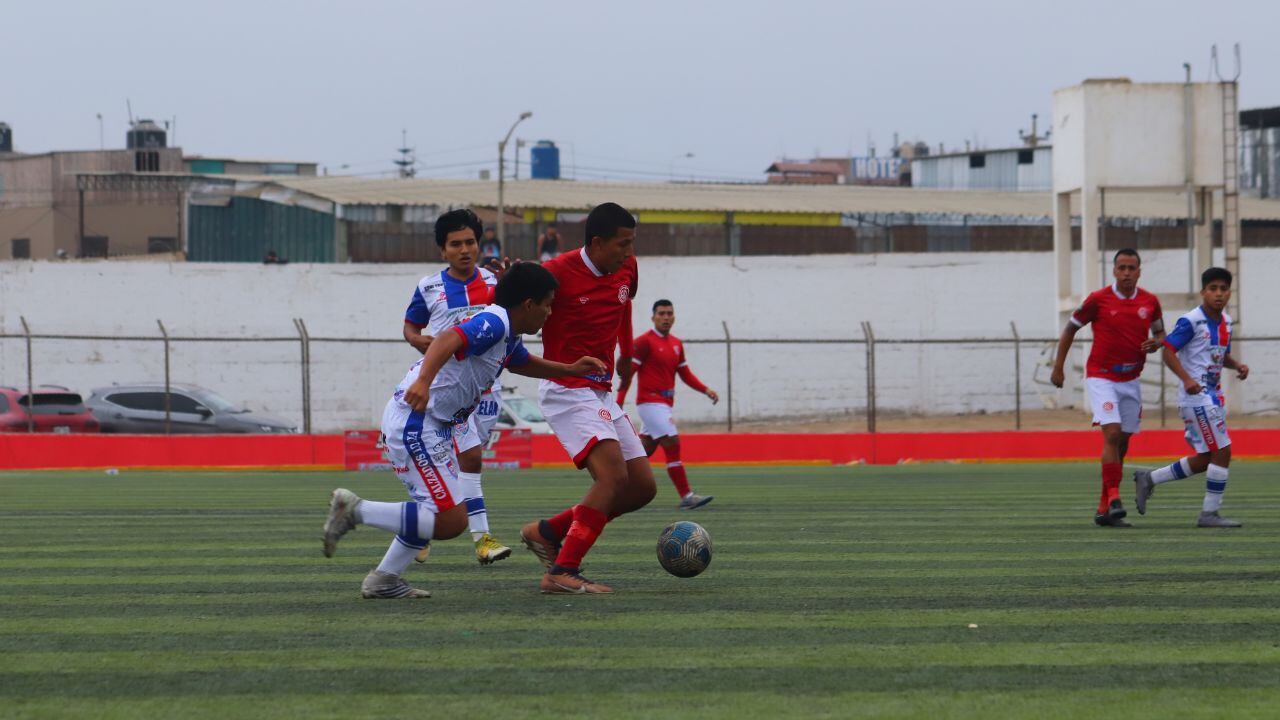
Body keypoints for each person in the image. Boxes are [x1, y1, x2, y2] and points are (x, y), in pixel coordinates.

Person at [323, 262, 606, 598]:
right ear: (529, 304)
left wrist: (569, 369)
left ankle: (384, 579)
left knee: (432, 512)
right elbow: (448, 337)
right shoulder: (495, 322)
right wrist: (424, 382)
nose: (550, 312)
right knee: (450, 521)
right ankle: (355, 510)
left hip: (431, 424)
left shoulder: (508, 331)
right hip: (417, 421)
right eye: (548, 304)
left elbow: (522, 362)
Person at [519, 202, 653, 594]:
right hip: (565, 389)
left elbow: (623, 304)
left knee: (641, 487)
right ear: (596, 243)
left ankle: (547, 532)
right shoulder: (556, 273)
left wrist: (626, 351)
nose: (629, 252)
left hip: (600, 390)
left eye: (632, 243)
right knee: (612, 477)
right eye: (622, 244)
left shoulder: (627, 267)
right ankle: (562, 570)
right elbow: (515, 308)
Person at [402, 209, 510, 564]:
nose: (464, 250)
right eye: (455, 244)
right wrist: (418, 340)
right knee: (469, 458)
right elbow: (410, 328)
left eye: (470, 242)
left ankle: (424, 526)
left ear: (479, 244)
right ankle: (482, 539)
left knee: (464, 461)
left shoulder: (495, 282)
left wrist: (509, 286)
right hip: (447, 387)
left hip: (486, 389)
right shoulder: (428, 287)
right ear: (442, 250)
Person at [1050, 248, 1164, 528]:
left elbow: (1160, 332)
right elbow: (1070, 328)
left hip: (1131, 380)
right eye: (1121, 268)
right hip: (1101, 376)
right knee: (1111, 433)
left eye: (1131, 268)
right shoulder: (1098, 299)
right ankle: (1114, 496)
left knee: (1122, 442)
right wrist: (1058, 366)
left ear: (1139, 272)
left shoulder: (1150, 301)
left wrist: (1157, 342)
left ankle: (1105, 509)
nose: (1126, 273)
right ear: (1114, 271)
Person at [1133, 267, 1249, 528]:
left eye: (1223, 289)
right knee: (1223, 451)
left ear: (1229, 293)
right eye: (1213, 289)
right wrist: (1187, 379)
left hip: (1212, 397)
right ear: (1203, 292)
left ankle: (1149, 479)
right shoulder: (1191, 321)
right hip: (1197, 398)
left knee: (1206, 459)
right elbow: (1168, 351)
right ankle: (1209, 514)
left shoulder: (1226, 322)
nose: (1218, 294)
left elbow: (1219, 355)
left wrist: (1237, 365)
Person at [616, 299, 719, 509]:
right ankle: (686, 495)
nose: (665, 317)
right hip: (650, 403)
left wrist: (705, 390)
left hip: (663, 405)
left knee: (643, 449)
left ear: (674, 317)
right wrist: (618, 402)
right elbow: (628, 375)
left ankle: (613, 479)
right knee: (672, 442)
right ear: (653, 317)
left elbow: (685, 374)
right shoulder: (644, 342)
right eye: (661, 313)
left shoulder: (676, 344)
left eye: (669, 313)